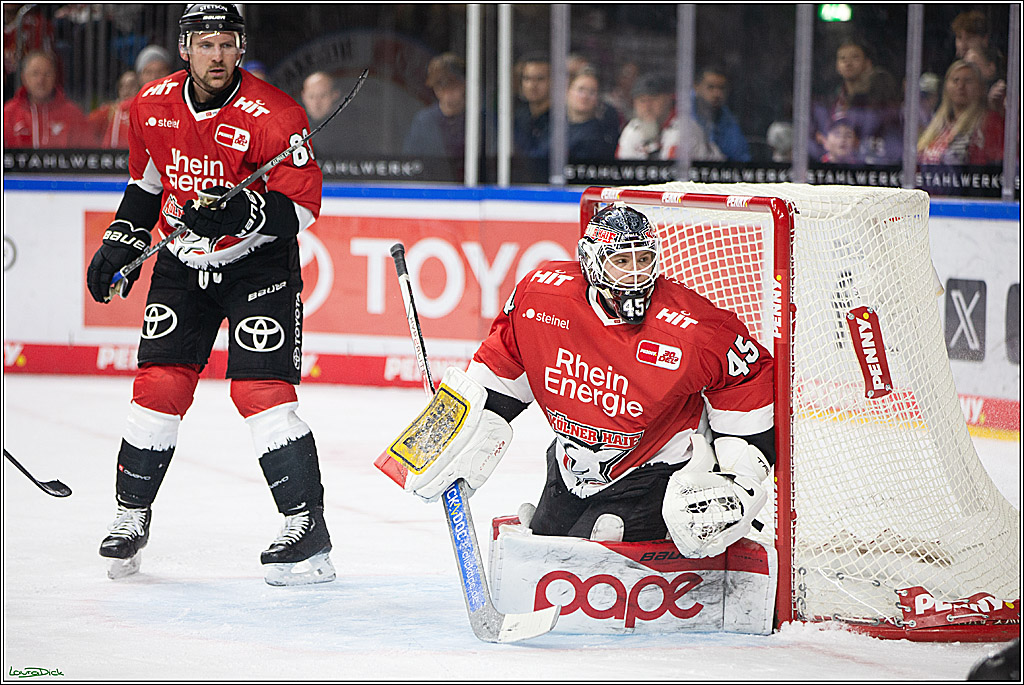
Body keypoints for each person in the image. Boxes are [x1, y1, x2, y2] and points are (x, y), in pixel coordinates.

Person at [85, 3, 334, 587]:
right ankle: (130, 517)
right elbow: (146, 184)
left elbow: (302, 206)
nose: (216, 55)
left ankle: (307, 531)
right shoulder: (150, 105)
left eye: (226, 43)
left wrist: (243, 208)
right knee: (158, 386)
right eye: (205, 43)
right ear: (185, 48)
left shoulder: (277, 112)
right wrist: (121, 239)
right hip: (180, 261)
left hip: (259, 267)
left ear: (239, 48)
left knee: (261, 393)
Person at [391, 204, 775, 557]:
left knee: (601, 543)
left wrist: (741, 476)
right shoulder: (542, 298)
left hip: (654, 470)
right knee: (545, 547)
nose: (637, 272)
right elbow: (501, 372)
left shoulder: (694, 329)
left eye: (644, 258)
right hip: (571, 466)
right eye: (621, 260)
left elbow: (748, 381)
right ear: (592, 262)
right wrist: (444, 432)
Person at [809, 37, 902, 164]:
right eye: (843, 59)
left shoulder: (881, 99)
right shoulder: (830, 101)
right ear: (837, 66)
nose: (848, 63)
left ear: (867, 63)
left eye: (855, 57)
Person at [615, 72, 723, 161]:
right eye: (642, 101)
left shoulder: (684, 129)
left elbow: (670, 178)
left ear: (668, 99)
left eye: (653, 99)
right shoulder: (633, 129)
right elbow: (623, 172)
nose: (647, 107)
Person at [917, 59, 1004, 166]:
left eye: (968, 81)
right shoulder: (938, 124)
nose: (960, 86)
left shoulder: (989, 122)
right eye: (955, 80)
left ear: (981, 88)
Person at [3, 49, 91, 148]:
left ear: (55, 77)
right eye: (35, 74)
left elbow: (88, 156)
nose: (41, 80)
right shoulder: (8, 113)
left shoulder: (73, 115)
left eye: (47, 74)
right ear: (24, 78)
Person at [401, 52, 466, 158]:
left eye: (452, 84)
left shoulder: (480, 120)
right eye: (438, 86)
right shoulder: (423, 121)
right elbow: (410, 161)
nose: (446, 92)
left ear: (464, 84)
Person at [692, 66, 751, 162]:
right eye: (710, 87)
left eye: (721, 88)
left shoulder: (729, 121)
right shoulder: (682, 114)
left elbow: (740, 158)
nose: (717, 94)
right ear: (696, 87)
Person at [565, 67, 619, 161]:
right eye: (580, 90)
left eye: (591, 92)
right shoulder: (554, 127)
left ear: (597, 99)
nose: (585, 96)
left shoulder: (597, 139)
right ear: (568, 91)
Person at [300, 70, 347, 161]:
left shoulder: (349, 130)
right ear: (303, 97)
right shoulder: (292, 128)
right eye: (311, 96)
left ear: (335, 95)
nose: (316, 103)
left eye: (322, 96)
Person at [87, 69, 140, 148]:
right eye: (122, 86)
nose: (126, 90)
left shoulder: (144, 112)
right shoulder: (111, 110)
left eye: (131, 85)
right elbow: (88, 125)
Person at [512, 52, 551, 160]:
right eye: (527, 78)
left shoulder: (561, 120)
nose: (532, 85)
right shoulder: (519, 116)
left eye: (540, 79)